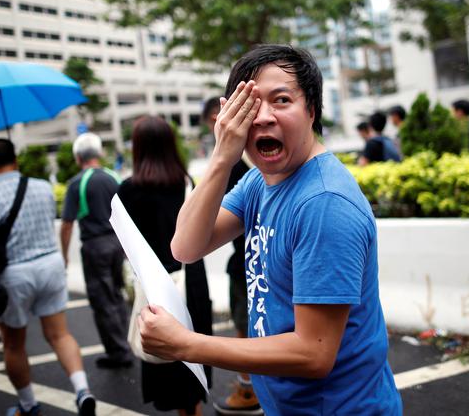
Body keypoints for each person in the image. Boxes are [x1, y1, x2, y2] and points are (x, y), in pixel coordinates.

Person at [138, 45, 402, 414]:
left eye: (281, 100)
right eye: (248, 104)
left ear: (311, 109)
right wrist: (221, 157)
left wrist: (185, 344)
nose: (262, 117)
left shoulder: (324, 203)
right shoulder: (260, 182)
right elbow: (185, 247)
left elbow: (313, 353)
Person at [0, 139, 95, 416]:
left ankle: (28, 404)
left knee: (13, 344)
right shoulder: (43, 187)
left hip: (14, 274)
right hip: (49, 265)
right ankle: (83, 390)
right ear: (16, 160)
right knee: (60, 335)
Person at [117, 116, 212, 416]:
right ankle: (193, 405)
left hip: (155, 282)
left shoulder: (128, 191)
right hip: (191, 277)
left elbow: (128, 246)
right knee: (193, 349)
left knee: (164, 351)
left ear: (138, 149)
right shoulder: (187, 184)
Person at [201, 97, 260, 415]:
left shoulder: (233, 165)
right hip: (245, 258)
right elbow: (189, 242)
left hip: (247, 261)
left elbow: (202, 232)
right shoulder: (239, 165)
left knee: (245, 326)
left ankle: (249, 392)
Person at [60, 133, 133, 369]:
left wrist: (64, 256)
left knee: (102, 299)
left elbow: (67, 223)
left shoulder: (77, 183)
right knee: (116, 294)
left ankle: (118, 353)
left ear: (78, 157)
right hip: (117, 243)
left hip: (94, 246)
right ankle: (127, 342)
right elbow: (127, 214)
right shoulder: (114, 177)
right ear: (99, 154)